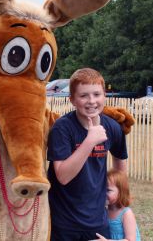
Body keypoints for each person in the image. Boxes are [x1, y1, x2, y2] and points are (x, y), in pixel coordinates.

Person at [47, 68, 128, 241]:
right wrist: (90, 141)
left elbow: (120, 163)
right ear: (72, 100)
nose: (91, 101)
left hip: (98, 222)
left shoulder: (113, 127)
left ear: (104, 95)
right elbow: (62, 176)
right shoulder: (62, 129)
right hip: (63, 223)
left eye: (97, 94)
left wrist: (117, 196)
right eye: (83, 96)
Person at [95, 169, 141, 241]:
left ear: (121, 193)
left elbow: (131, 239)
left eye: (108, 190)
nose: (103, 193)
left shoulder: (126, 214)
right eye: (102, 189)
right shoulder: (104, 210)